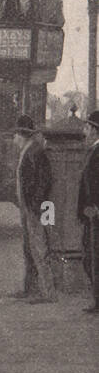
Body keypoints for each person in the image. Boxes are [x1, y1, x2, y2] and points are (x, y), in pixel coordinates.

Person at [10, 115, 55, 303]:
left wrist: (34, 204)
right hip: (27, 207)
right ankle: (31, 288)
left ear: (22, 135)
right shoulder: (28, 150)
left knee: (39, 249)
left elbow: (45, 180)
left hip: (34, 208)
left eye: (15, 135)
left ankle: (48, 293)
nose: (13, 140)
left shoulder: (35, 151)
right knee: (29, 248)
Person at [77, 111, 99, 314]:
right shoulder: (92, 150)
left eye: (86, 127)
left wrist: (95, 207)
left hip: (95, 215)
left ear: (93, 130)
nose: (84, 131)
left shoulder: (97, 151)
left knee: (94, 257)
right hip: (89, 213)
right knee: (89, 257)